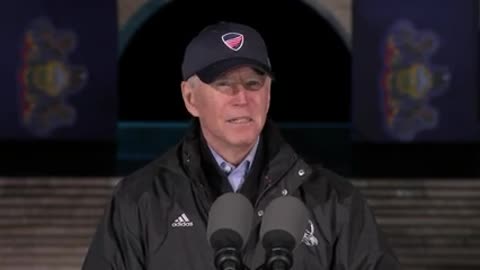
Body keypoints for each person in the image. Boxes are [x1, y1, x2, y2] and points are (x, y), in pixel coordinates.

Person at [82, 21, 400, 270]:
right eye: (224, 84)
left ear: (269, 94)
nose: (242, 98)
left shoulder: (336, 202)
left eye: (253, 83)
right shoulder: (138, 201)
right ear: (190, 98)